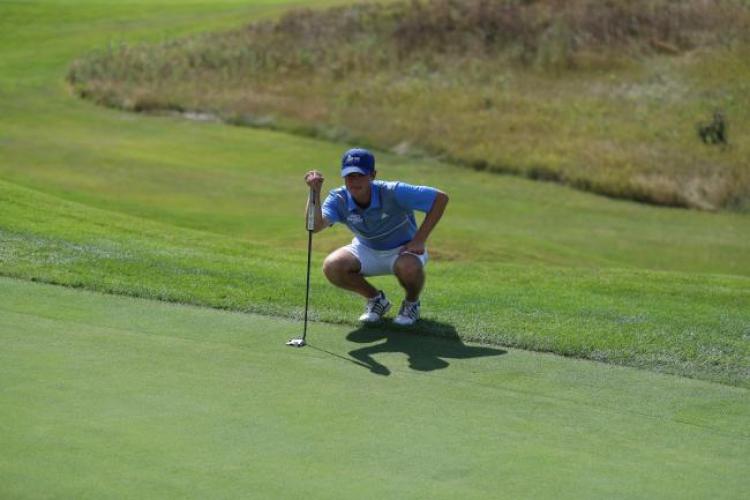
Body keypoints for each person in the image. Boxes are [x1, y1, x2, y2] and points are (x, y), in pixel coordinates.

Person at [304, 148, 449, 326]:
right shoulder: (338, 198)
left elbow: (440, 199)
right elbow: (315, 226)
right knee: (332, 266)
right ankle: (376, 300)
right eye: (350, 176)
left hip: (403, 250)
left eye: (360, 175)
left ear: (372, 175)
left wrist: (420, 239)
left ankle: (411, 304)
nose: (354, 181)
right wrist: (314, 192)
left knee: (409, 267)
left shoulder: (393, 191)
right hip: (366, 249)